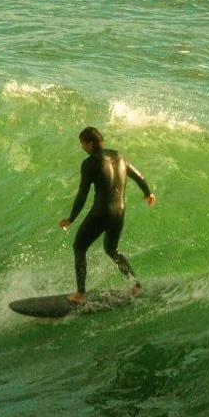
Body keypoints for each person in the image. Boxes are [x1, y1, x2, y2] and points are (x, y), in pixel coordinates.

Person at [59, 126, 155, 303]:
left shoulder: (89, 163)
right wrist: (148, 193)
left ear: (90, 143)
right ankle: (135, 284)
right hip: (119, 211)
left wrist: (70, 218)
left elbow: (82, 194)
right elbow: (138, 177)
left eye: (82, 144)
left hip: (102, 212)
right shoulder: (119, 156)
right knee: (111, 249)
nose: (82, 148)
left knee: (79, 247)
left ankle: (80, 294)